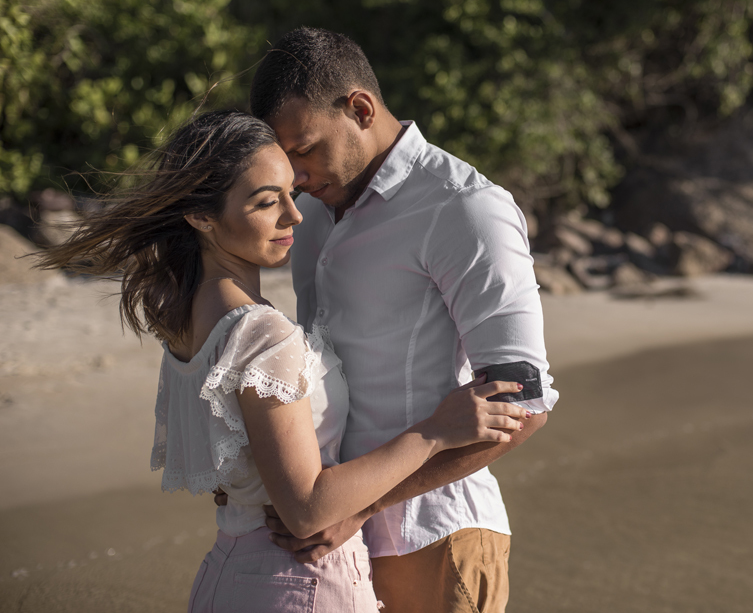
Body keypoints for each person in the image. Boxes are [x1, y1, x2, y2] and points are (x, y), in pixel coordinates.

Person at [34, 110, 528, 612]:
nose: (295, 215)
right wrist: (435, 432)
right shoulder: (262, 332)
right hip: (301, 582)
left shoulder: (185, 318)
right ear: (202, 216)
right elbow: (307, 510)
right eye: (268, 201)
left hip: (228, 572)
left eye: (291, 193)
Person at [245, 27, 559, 613]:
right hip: (331, 547)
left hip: (435, 539)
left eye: (305, 149)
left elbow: (525, 404)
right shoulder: (308, 214)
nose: (297, 175)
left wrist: (361, 508)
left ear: (360, 109)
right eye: (286, 160)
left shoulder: (464, 207)